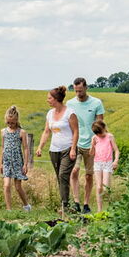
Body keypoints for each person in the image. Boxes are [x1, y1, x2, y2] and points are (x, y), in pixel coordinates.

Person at [35, 86, 79, 216]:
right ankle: (68, 206)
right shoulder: (50, 114)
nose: (47, 100)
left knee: (63, 176)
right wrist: (40, 147)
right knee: (61, 179)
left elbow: (76, 131)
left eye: (49, 98)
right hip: (54, 150)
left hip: (67, 149)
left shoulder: (70, 113)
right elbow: (46, 131)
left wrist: (73, 149)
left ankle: (65, 206)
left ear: (56, 99)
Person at [66, 77, 105, 213]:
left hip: (91, 145)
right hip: (75, 144)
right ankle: (76, 202)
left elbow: (100, 125)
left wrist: (98, 144)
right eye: (76, 91)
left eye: (80, 91)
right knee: (74, 171)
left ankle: (86, 204)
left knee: (89, 175)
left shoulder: (96, 103)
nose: (78, 94)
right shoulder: (70, 103)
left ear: (86, 88)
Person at [0, 105, 32, 211]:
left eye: (12, 122)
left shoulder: (21, 132)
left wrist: (25, 164)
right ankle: (9, 209)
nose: (10, 124)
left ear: (16, 120)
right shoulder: (3, 132)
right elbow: (3, 147)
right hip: (7, 162)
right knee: (6, 185)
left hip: (18, 162)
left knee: (18, 187)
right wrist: (1, 163)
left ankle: (26, 205)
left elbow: (26, 149)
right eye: (8, 122)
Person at [89, 120, 118, 212]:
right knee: (98, 187)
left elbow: (116, 150)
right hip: (98, 163)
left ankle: (110, 207)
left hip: (107, 163)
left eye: (100, 133)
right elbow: (91, 153)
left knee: (106, 188)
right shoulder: (95, 138)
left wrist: (115, 161)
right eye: (97, 134)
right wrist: (92, 145)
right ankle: (99, 210)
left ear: (104, 128)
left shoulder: (110, 137)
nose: (100, 135)